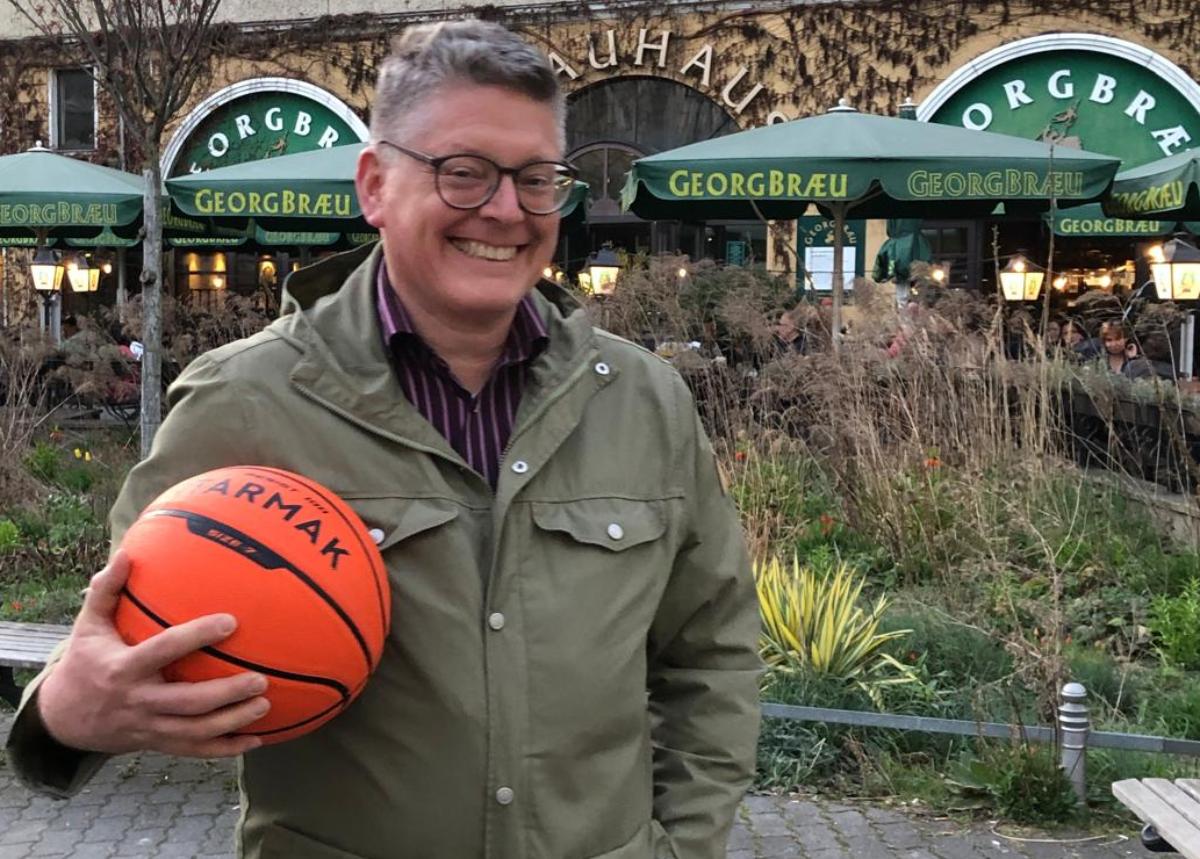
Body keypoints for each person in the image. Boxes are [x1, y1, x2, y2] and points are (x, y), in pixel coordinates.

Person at [7, 20, 761, 859]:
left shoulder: (645, 401)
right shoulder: (245, 401)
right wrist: (64, 718)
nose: (506, 210)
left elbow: (711, 654)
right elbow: (123, 643)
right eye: (464, 173)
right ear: (375, 184)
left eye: (537, 178)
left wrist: (684, 845)